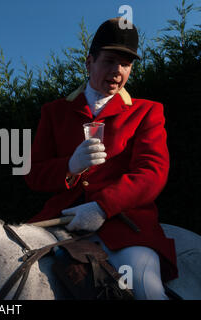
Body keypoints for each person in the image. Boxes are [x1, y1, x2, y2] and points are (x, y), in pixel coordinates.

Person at [25, 18, 178, 300]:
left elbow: (152, 173)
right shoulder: (54, 112)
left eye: (126, 64)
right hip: (61, 224)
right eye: (109, 61)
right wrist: (69, 167)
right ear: (89, 62)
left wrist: (102, 207)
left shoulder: (147, 112)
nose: (117, 71)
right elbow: (33, 174)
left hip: (125, 227)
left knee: (147, 290)